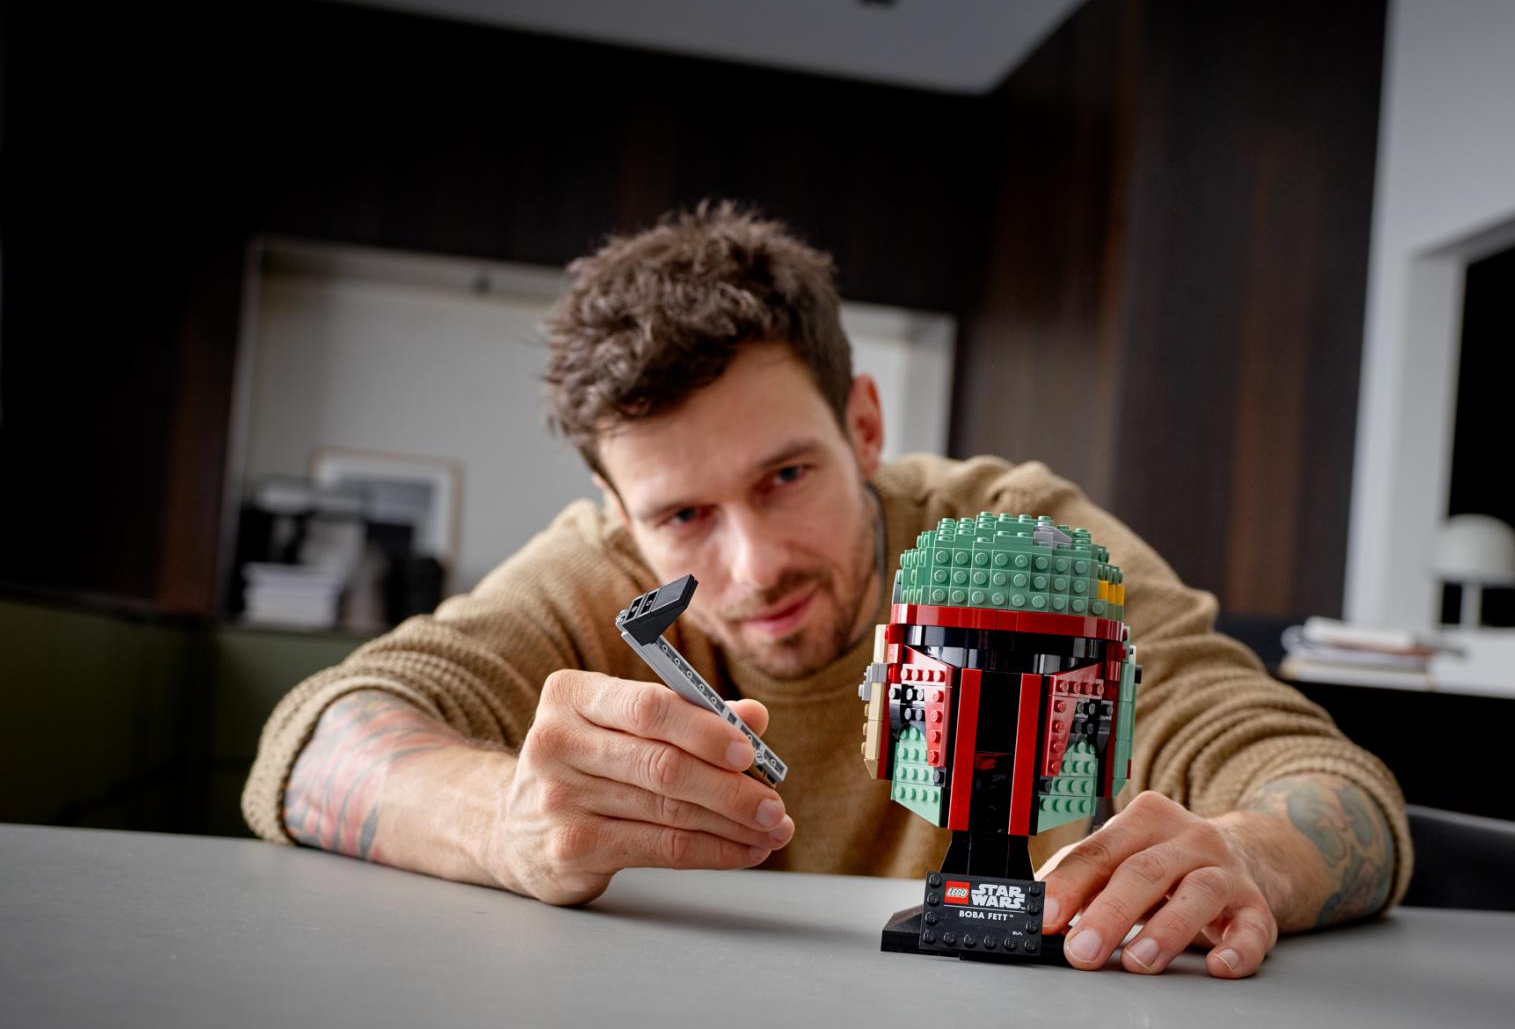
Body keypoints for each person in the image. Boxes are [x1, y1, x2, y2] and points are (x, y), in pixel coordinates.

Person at [243, 202, 1410, 978]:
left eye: (786, 476)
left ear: (863, 425)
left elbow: (1325, 784)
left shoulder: (1022, 543)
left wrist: (1251, 854)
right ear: (617, 507)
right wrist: (500, 818)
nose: (753, 566)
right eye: (682, 515)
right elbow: (318, 738)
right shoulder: (591, 574)